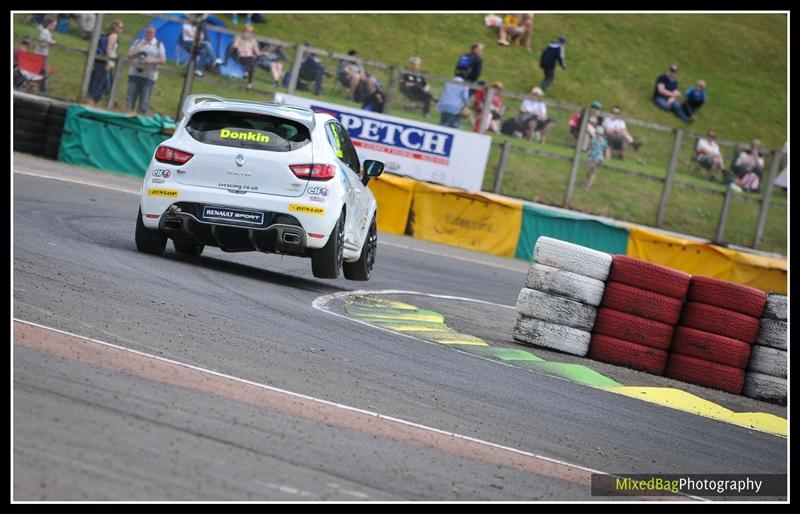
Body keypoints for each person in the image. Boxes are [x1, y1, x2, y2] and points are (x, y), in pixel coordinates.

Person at [125, 26, 166, 115]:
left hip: (149, 75)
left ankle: (141, 115)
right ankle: (128, 113)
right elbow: (128, 56)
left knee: (145, 98)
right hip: (134, 73)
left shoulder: (158, 44)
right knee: (131, 96)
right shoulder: (138, 42)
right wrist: (138, 51)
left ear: (154, 34)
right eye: (148, 32)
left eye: (151, 33)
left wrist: (151, 61)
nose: (149, 34)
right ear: (145, 33)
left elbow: (163, 60)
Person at [88, 19, 124, 105]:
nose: (121, 29)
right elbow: (109, 49)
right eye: (121, 27)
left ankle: (94, 98)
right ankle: (94, 99)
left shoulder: (109, 35)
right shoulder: (114, 36)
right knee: (102, 82)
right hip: (106, 62)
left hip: (102, 61)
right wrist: (108, 62)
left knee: (103, 81)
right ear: (116, 27)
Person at [232, 24, 262, 89]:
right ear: (244, 31)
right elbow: (235, 46)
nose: (248, 33)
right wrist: (240, 48)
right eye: (247, 31)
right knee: (251, 62)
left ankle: (247, 76)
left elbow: (257, 51)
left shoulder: (253, 40)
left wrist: (263, 53)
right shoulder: (239, 37)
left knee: (252, 63)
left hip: (249, 57)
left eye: (250, 32)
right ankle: (249, 81)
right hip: (240, 56)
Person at [34, 17, 57, 92]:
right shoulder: (45, 32)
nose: (54, 27)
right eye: (53, 25)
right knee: (43, 73)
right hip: (40, 56)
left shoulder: (48, 33)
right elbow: (42, 42)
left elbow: (48, 42)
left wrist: (51, 42)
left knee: (42, 73)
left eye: (55, 25)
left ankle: (41, 89)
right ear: (48, 24)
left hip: (43, 56)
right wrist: (51, 42)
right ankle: (43, 90)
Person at [583, 126, 610, 191]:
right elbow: (589, 147)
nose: (598, 135)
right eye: (597, 134)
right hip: (591, 157)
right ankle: (588, 180)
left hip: (598, 158)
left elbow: (607, 149)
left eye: (600, 134)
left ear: (602, 135)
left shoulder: (604, 142)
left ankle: (588, 186)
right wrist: (587, 151)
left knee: (594, 171)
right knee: (588, 170)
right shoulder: (592, 140)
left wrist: (607, 156)